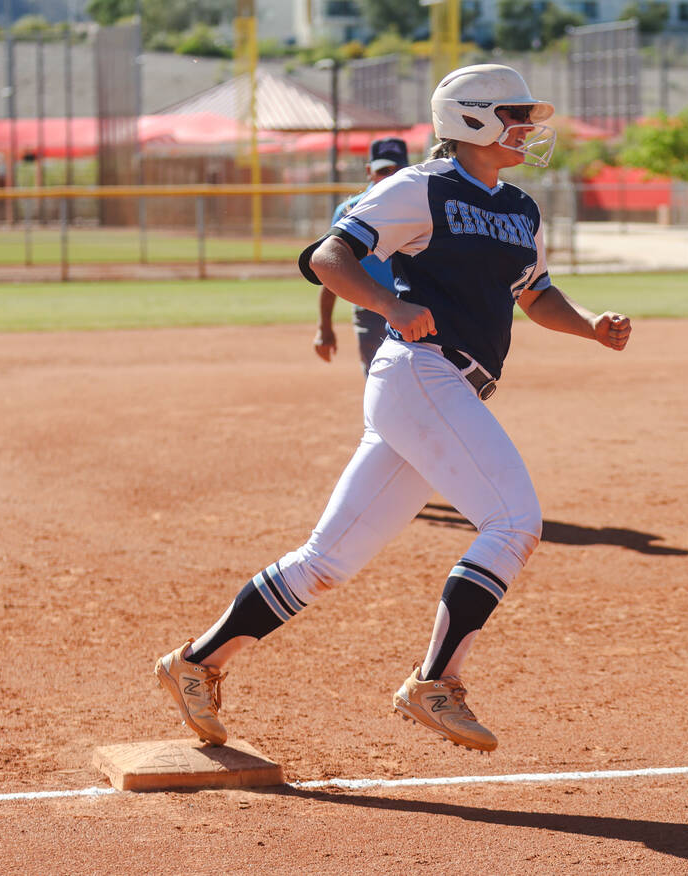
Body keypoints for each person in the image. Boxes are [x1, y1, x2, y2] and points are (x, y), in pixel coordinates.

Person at [154, 64, 631, 754]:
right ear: (473, 119)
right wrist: (389, 303)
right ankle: (434, 683)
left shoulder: (521, 209)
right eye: (516, 114)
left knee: (325, 562)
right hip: (420, 372)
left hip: (443, 388)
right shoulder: (420, 187)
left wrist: (590, 325)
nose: (528, 128)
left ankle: (195, 663)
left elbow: (536, 294)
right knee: (515, 521)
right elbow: (329, 257)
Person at [314, 137, 409, 376]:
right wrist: (324, 326)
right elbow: (333, 268)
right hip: (371, 309)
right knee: (380, 379)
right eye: (384, 170)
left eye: (399, 170)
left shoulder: (418, 205)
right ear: (369, 171)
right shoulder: (351, 210)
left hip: (415, 306)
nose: (392, 176)